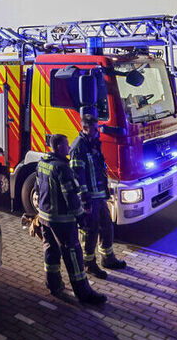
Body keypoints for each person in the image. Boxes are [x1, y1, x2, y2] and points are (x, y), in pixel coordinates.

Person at [35, 133, 107, 305]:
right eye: (66, 145)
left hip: (45, 217)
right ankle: (84, 293)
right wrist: (81, 218)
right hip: (62, 221)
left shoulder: (42, 163)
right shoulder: (62, 168)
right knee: (73, 254)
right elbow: (71, 197)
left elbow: (38, 189)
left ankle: (53, 284)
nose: (69, 148)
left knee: (51, 251)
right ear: (59, 147)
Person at [71, 115, 127, 278]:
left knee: (107, 226)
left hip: (100, 196)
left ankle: (108, 258)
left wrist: (106, 188)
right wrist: (85, 200)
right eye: (95, 129)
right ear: (85, 128)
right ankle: (89, 264)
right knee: (90, 232)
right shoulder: (78, 147)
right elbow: (78, 176)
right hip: (89, 199)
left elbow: (100, 168)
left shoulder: (93, 143)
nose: (98, 132)